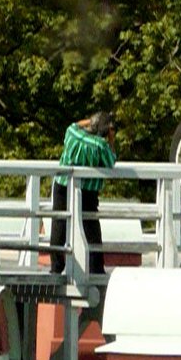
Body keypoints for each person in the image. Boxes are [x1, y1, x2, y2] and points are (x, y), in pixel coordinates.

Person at [49, 111, 116, 276]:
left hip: (63, 185)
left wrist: (92, 121)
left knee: (59, 224)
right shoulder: (100, 145)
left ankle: (56, 266)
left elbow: (76, 124)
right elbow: (111, 162)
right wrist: (111, 139)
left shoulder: (72, 133)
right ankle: (95, 267)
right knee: (91, 228)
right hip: (87, 190)